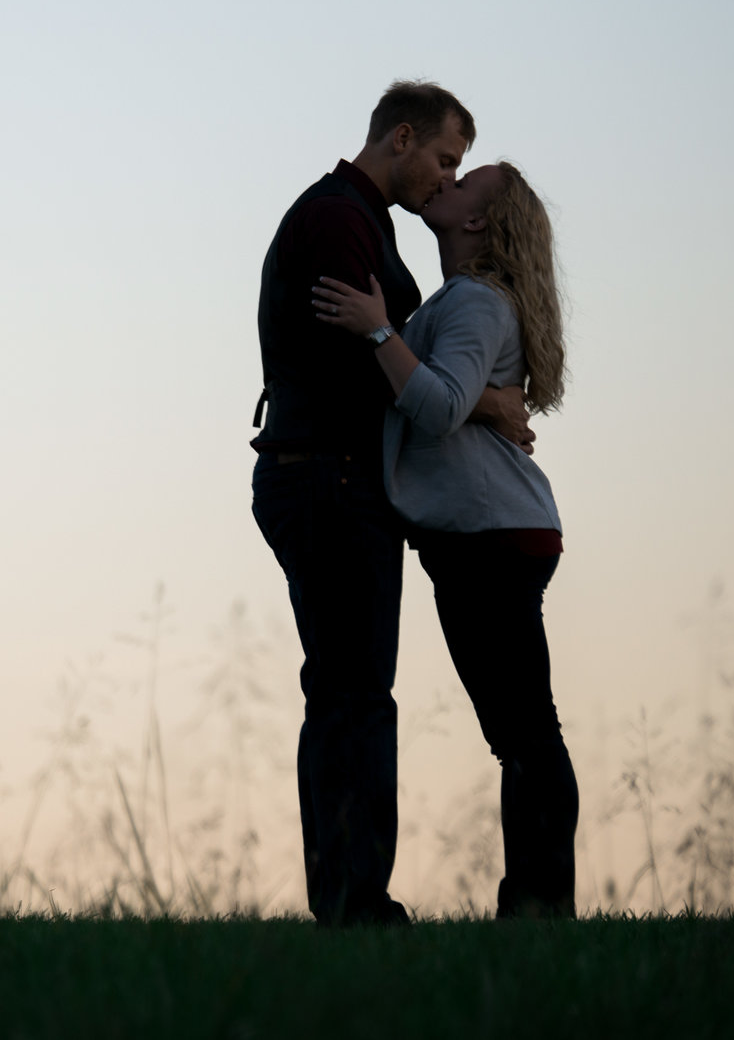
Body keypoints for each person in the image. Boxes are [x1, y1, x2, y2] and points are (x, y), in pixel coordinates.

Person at [249, 81, 533, 927]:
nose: (445, 181)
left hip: (333, 478)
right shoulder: (340, 221)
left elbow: (393, 349)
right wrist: (482, 402)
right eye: (444, 159)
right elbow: (369, 358)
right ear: (400, 138)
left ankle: (350, 897)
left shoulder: (358, 221)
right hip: (327, 478)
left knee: (350, 690)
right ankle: (353, 902)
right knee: (353, 694)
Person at [313, 159, 578, 918]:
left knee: (526, 735)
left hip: (492, 538)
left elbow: (433, 405)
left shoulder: (474, 303)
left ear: (478, 222)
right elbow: (450, 399)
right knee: (522, 733)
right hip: (488, 536)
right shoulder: (467, 302)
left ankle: (539, 907)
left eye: (467, 183)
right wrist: (491, 401)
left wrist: (375, 330)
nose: (448, 185)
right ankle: (534, 905)